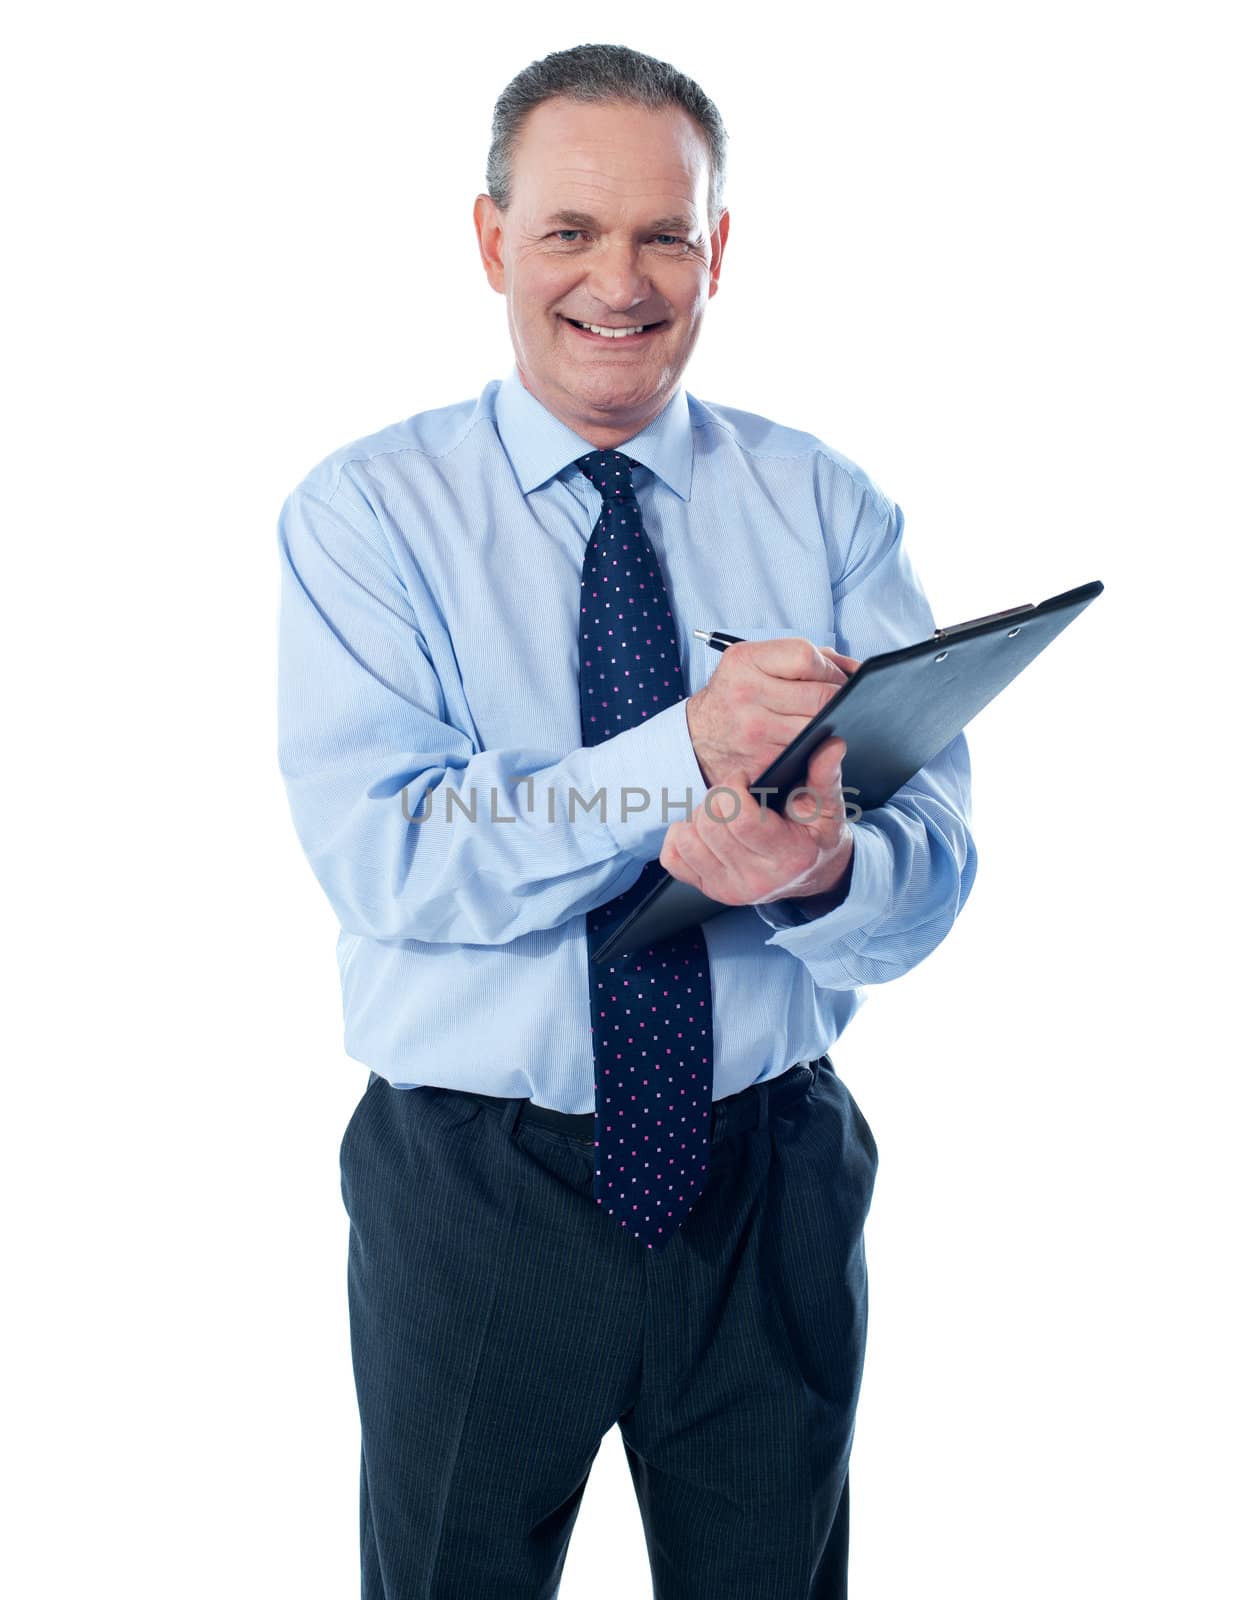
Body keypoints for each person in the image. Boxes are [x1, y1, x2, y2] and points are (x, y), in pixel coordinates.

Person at [276, 41, 976, 1600]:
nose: (622, 279)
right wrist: (683, 756)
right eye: (571, 233)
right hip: (478, 1191)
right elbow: (385, 853)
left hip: (767, 1183)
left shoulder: (827, 507)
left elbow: (936, 870)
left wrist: (827, 868)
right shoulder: (367, 516)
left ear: (719, 249)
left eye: (667, 233)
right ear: (490, 243)